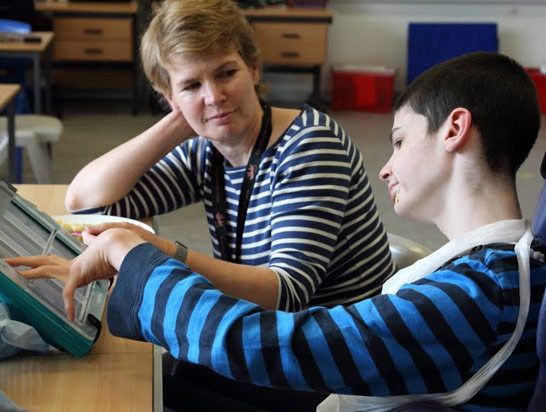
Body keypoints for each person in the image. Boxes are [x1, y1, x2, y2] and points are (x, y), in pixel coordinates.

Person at [7, 51, 546, 411]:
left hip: (317, 383)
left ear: (454, 129)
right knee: (165, 374)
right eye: (190, 86)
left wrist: (138, 255)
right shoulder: (489, 272)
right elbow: (89, 197)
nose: (386, 166)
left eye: (399, 141)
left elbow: (273, 345)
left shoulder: (477, 292)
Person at [61, 0, 396, 313]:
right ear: (170, 97)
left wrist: (162, 252)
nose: (214, 96)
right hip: (269, 333)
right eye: (191, 85)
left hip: (331, 348)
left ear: (253, 69)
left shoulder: (310, 144)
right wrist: (179, 122)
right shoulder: (208, 150)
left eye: (225, 73)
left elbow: (287, 294)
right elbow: (87, 202)